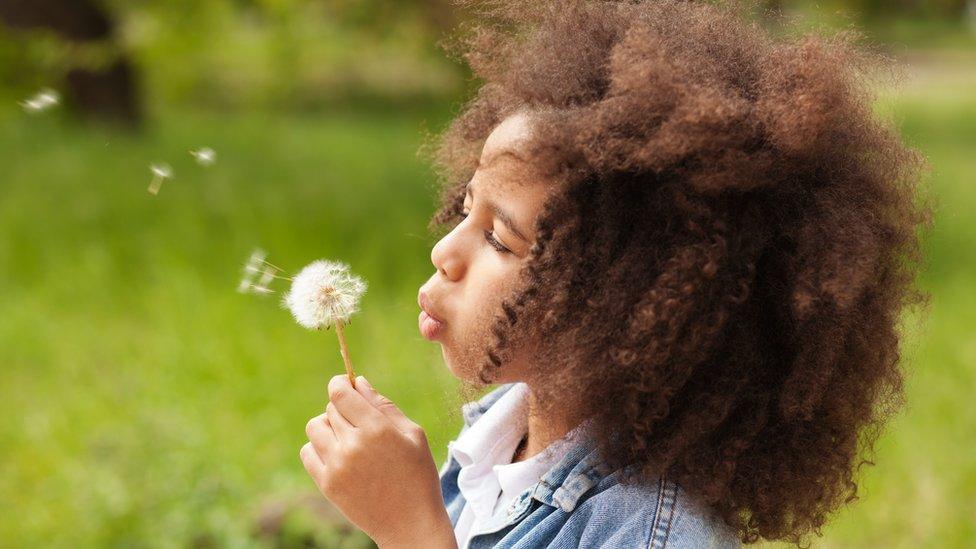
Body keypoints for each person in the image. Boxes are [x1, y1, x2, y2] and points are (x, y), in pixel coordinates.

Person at [299, 1, 929, 547]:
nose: (445, 250)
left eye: (498, 237)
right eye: (466, 209)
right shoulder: (498, 440)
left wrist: (411, 533)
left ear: (623, 312)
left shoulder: (652, 534)